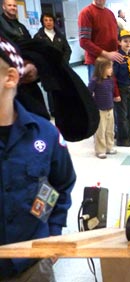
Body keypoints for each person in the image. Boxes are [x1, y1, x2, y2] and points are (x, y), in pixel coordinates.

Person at [0, 35, 76, 280]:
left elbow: (59, 184)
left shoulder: (45, 135)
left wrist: (52, 231)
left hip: (32, 264)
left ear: (10, 78)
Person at [34, 12, 73, 117]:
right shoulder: (38, 37)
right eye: (46, 20)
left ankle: (65, 108)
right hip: (48, 69)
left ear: (54, 21)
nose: (48, 22)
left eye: (50, 20)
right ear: (42, 22)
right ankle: (54, 111)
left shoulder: (60, 35)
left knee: (63, 88)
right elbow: (36, 54)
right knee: (51, 91)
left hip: (61, 67)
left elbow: (67, 50)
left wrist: (63, 62)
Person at [78, 0, 124, 81]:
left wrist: (125, 51)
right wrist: (106, 54)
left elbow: (114, 37)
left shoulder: (110, 13)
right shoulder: (86, 13)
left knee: (112, 91)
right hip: (97, 63)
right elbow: (84, 41)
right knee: (99, 91)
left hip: (112, 62)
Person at [88, 56, 118, 159]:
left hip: (110, 108)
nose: (111, 70)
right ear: (102, 69)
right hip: (100, 110)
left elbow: (111, 92)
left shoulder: (110, 80)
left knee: (110, 130)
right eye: (109, 68)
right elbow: (88, 93)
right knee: (100, 131)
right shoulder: (95, 81)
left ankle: (109, 147)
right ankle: (100, 150)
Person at [114, 30, 130, 148]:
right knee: (122, 116)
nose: (128, 44)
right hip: (120, 90)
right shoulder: (118, 57)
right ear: (119, 42)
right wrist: (116, 93)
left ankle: (128, 134)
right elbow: (114, 77)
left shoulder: (129, 56)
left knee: (129, 113)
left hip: (128, 88)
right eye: (125, 41)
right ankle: (122, 139)